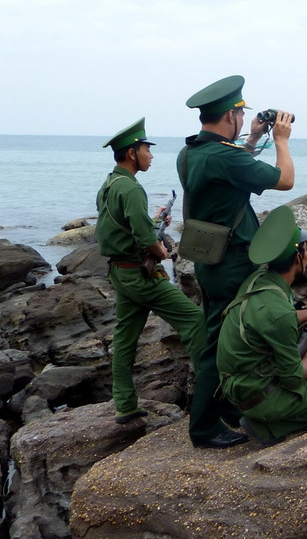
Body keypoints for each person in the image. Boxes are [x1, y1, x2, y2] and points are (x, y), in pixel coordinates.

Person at [179, 75, 294, 448]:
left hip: (209, 258)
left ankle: (227, 406)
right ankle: (203, 428)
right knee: (220, 345)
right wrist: (281, 140)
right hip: (232, 264)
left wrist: (254, 139)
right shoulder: (224, 157)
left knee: (223, 336)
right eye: (241, 115)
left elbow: (233, 166)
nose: (244, 120)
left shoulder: (192, 152)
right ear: (230, 115)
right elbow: (285, 180)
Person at [95, 118, 206, 426]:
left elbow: (122, 226)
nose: (151, 155)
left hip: (121, 273)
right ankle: (209, 398)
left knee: (125, 339)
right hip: (139, 275)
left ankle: (125, 405)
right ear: (132, 153)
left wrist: (154, 222)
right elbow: (146, 240)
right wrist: (163, 252)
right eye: (146, 149)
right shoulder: (131, 188)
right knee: (196, 321)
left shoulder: (109, 184)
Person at [218, 205, 307, 445]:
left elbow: (277, 319)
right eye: (305, 249)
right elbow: (293, 379)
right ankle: (269, 426)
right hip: (259, 396)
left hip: (239, 386)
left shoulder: (259, 281)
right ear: (297, 258)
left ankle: (271, 416)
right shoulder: (278, 313)